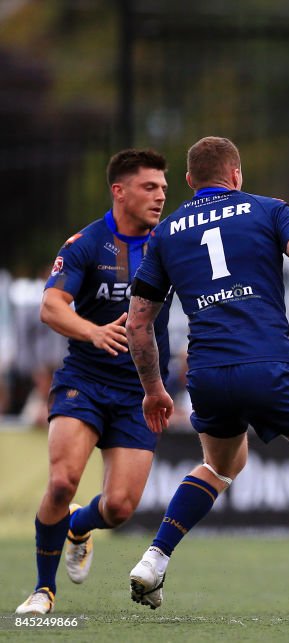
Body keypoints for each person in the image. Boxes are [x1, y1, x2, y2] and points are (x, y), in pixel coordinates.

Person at [123, 136, 289, 617]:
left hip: (204, 374)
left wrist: (154, 390)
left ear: (189, 182)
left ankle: (154, 559)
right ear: (236, 176)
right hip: (268, 366)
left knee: (221, 465)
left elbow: (138, 322)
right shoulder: (269, 210)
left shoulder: (164, 234)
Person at [15, 149, 173, 615]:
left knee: (120, 508)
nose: (160, 196)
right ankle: (43, 591)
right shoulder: (85, 243)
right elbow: (51, 306)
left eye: (164, 188)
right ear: (119, 191)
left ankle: (79, 527)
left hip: (140, 392)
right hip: (84, 380)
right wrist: (93, 331)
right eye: (149, 187)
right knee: (62, 482)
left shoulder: (169, 243)